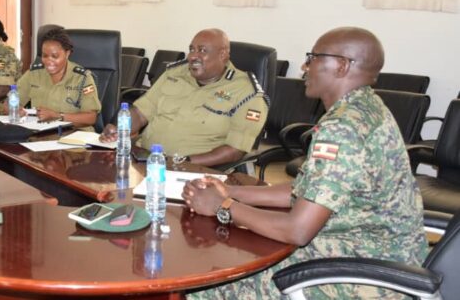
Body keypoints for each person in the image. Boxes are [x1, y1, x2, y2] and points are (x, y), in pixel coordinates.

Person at [182, 27, 428, 299]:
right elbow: (308, 190)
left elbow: (297, 230)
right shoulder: (367, 107)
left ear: (342, 66)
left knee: (202, 288)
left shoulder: (343, 128)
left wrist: (223, 206)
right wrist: (231, 191)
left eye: (313, 58)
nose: (305, 66)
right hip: (376, 251)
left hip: (363, 272)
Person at [100, 28, 268, 168]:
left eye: (202, 51)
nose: (193, 56)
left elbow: (235, 150)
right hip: (144, 158)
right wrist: (120, 129)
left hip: (192, 170)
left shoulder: (247, 92)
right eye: (191, 49)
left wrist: (181, 162)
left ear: (223, 55)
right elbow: (141, 112)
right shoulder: (174, 74)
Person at [13, 28, 101, 130]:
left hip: (74, 135)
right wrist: (15, 109)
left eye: (55, 56)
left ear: (67, 54)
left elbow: (91, 118)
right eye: (45, 55)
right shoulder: (34, 74)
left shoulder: (82, 78)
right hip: (40, 133)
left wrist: (59, 116)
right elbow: (12, 101)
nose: (48, 61)